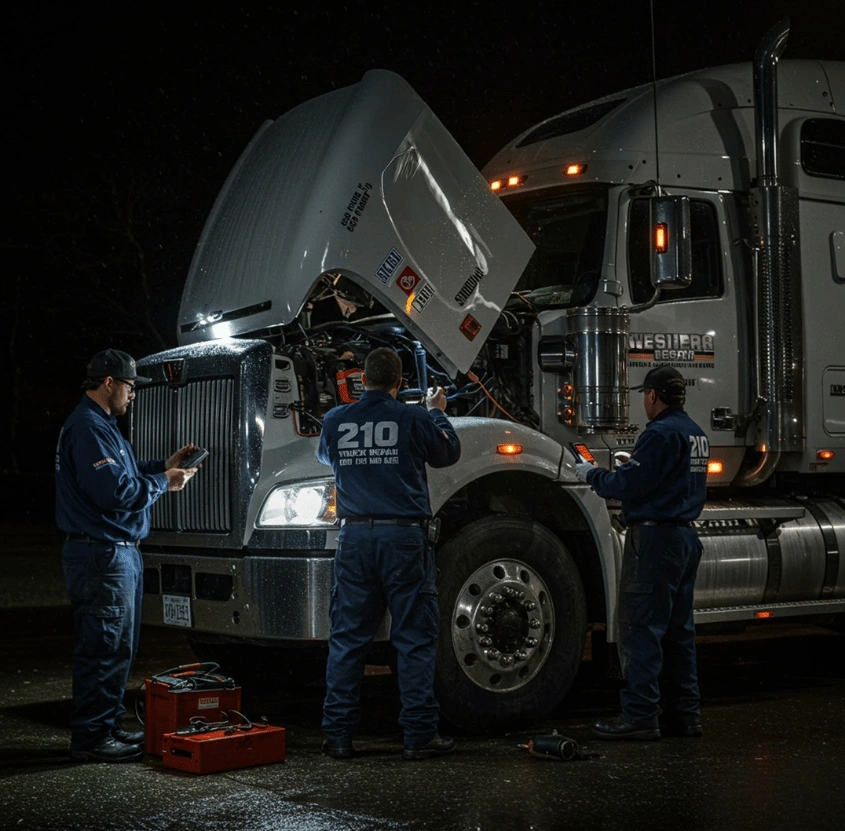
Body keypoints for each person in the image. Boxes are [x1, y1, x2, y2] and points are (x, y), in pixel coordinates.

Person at [316, 346, 461, 760]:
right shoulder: (412, 416)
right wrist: (435, 410)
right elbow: (447, 452)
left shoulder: (336, 419)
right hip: (404, 541)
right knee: (414, 638)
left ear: (363, 380)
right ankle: (418, 736)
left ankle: (339, 736)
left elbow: (327, 457)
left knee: (346, 640)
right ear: (399, 383)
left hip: (355, 540)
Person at [56, 349, 200, 762]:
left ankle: (105, 726)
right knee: (104, 645)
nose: (133, 395)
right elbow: (115, 493)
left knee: (116, 645)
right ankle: (92, 739)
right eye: (131, 387)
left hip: (113, 554)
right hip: (102, 554)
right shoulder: (87, 427)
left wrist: (162, 466)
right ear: (109, 384)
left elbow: (124, 474)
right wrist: (163, 483)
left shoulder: (101, 425)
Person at [574, 365, 709, 741]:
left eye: (644, 397)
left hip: (654, 542)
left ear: (652, 396)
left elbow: (629, 485)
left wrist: (592, 474)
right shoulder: (695, 433)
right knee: (679, 633)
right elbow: (665, 477)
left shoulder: (660, 434)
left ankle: (640, 716)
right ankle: (685, 715)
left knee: (642, 630)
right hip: (684, 539)